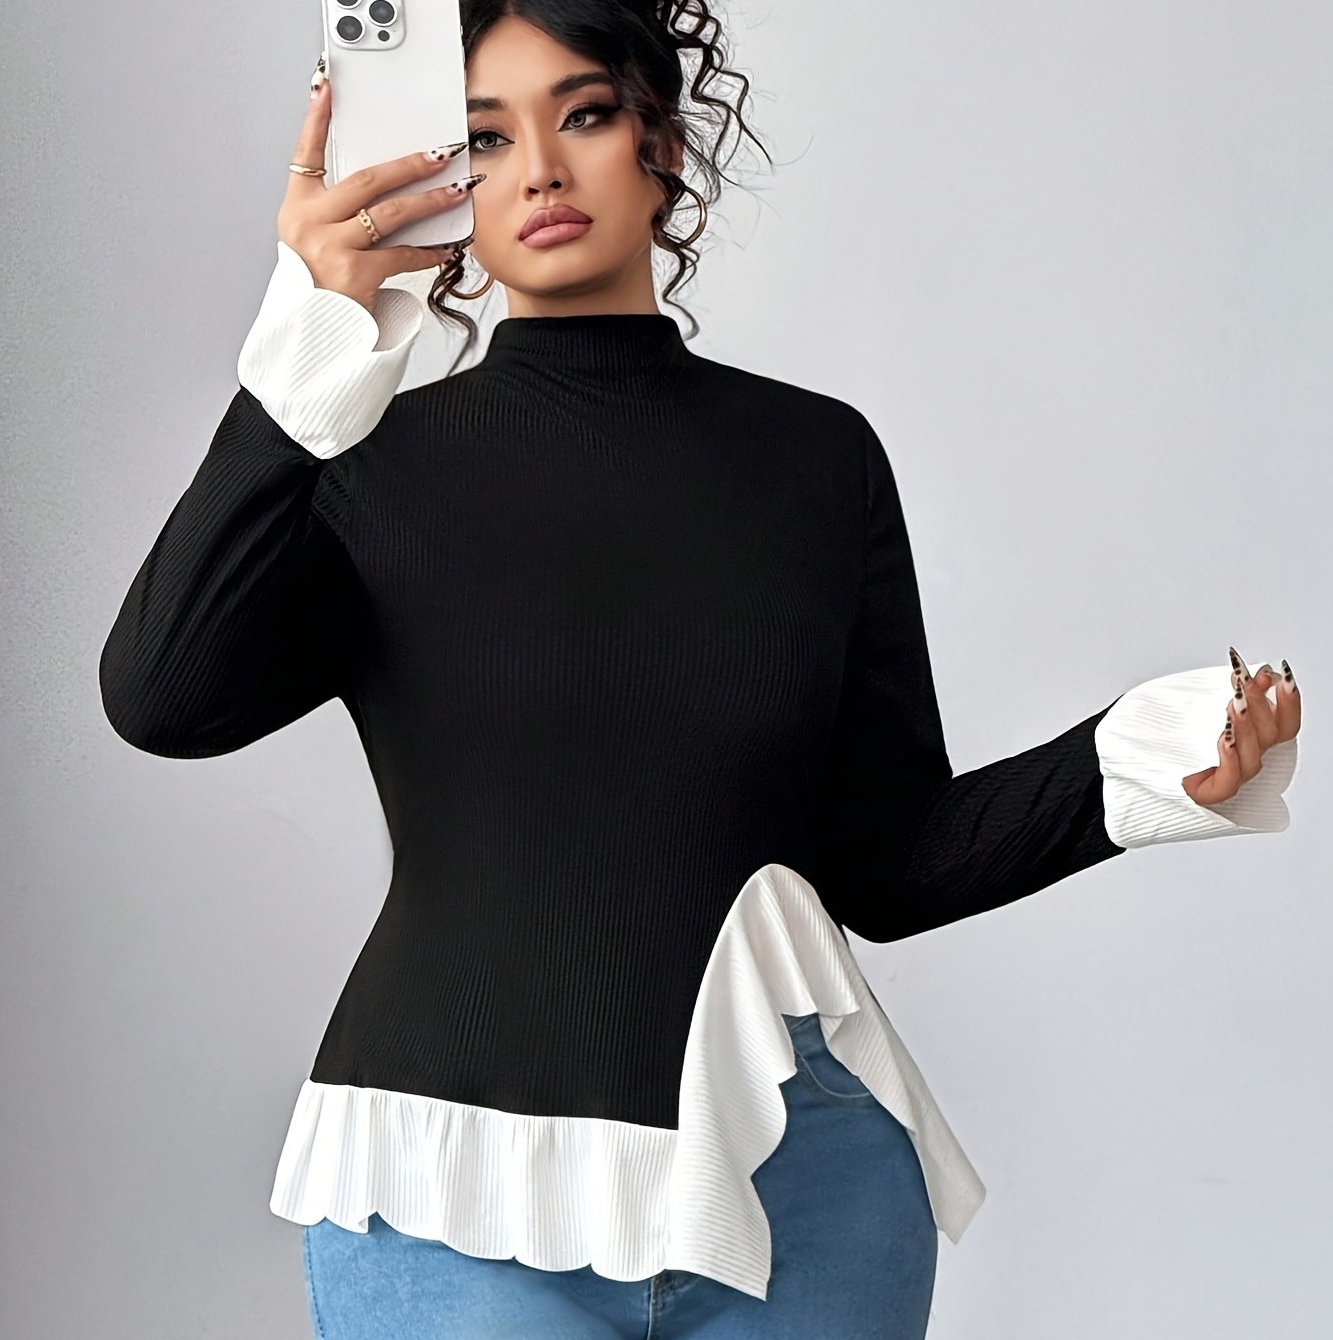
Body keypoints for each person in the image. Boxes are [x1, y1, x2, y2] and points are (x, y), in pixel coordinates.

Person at [97, 4, 1303, 1337]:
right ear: (443, 178)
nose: (541, 169)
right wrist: (305, 350)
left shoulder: (816, 463)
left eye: (585, 113)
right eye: (485, 138)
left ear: (662, 143)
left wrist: (1127, 767)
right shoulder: (368, 466)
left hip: (809, 1188)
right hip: (450, 1194)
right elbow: (162, 696)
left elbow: (886, 861)